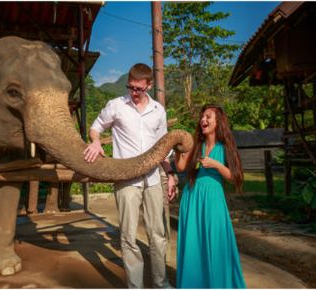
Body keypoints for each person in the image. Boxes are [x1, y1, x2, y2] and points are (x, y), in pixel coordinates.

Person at [84, 63, 176, 288]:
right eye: (130, 87)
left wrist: (171, 174)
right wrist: (96, 142)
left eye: (139, 89)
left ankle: (160, 283)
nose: (133, 93)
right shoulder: (116, 105)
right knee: (128, 236)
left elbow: (164, 147)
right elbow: (96, 127)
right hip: (126, 180)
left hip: (154, 178)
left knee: (158, 234)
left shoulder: (158, 111)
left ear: (149, 85)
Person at [174, 104, 246, 288]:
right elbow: (181, 168)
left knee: (215, 241)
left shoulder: (226, 147)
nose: (203, 120)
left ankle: (217, 283)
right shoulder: (196, 145)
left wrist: (216, 165)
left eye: (208, 117)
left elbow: (235, 177)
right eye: (202, 117)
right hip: (192, 196)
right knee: (193, 242)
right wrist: (177, 150)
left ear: (218, 122)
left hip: (213, 199)